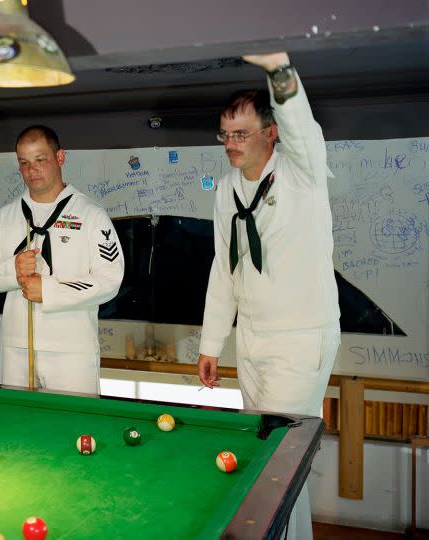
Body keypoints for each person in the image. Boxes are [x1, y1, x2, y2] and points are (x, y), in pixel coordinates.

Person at [197, 51, 340, 540]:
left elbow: (303, 129)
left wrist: (280, 72)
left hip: (301, 340)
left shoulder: (302, 173)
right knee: (267, 459)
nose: (230, 144)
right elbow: (225, 267)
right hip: (253, 343)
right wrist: (212, 344)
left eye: (241, 134)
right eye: (225, 134)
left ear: (270, 132)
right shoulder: (225, 190)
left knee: (279, 462)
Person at [0, 125, 125, 394]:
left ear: (60, 157)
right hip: (17, 348)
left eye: (40, 160)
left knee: (76, 428)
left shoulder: (91, 215)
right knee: (19, 428)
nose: (32, 171)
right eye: (24, 163)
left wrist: (49, 291)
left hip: (72, 349)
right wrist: (13, 270)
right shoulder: (4, 217)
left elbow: (109, 280)